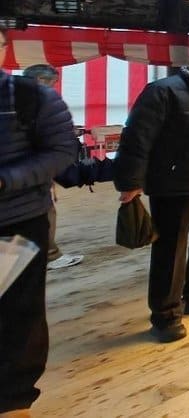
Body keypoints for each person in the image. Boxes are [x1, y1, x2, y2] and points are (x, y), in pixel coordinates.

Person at [114, 41, 189, 343]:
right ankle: (165, 314)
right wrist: (130, 183)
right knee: (171, 248)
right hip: (174, 185)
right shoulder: (163, 91)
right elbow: (137, 137)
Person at [0, 28, 79, 417]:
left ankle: (14, 400)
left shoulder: (29, 98)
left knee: (19, 309)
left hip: (15, 219)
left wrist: (6, 180)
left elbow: (63, 152)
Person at [22, 64, 83, 271]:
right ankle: (50, 255)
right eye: (52, 83)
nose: (54, 87)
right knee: (44, 212)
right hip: (31, 171)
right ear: (40, 80)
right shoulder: (35, 104)